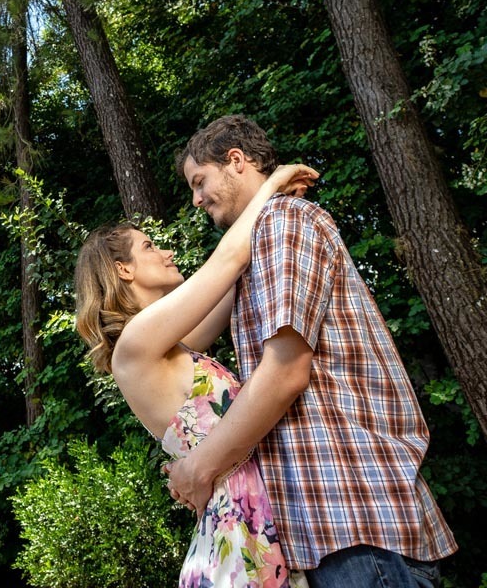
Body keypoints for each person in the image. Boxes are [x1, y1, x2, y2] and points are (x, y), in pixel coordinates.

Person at [168, 114, 457, 588]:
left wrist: (200, 467)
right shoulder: (257, 243)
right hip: (335, 538)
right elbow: (187, 337)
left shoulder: (285, 223)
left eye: (200, 182)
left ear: (235, 161)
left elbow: (284, 371)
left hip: (358, 527)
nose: (196, 199)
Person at [75, 162, 318, 588]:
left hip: (254, 516)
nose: (166, 252)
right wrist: (274, 182)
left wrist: (272, 207)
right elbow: (227, 259)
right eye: (150, 247)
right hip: (238, 536)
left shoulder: (173, 344)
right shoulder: (135, 345)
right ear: (122, 270)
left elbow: (232, 282)